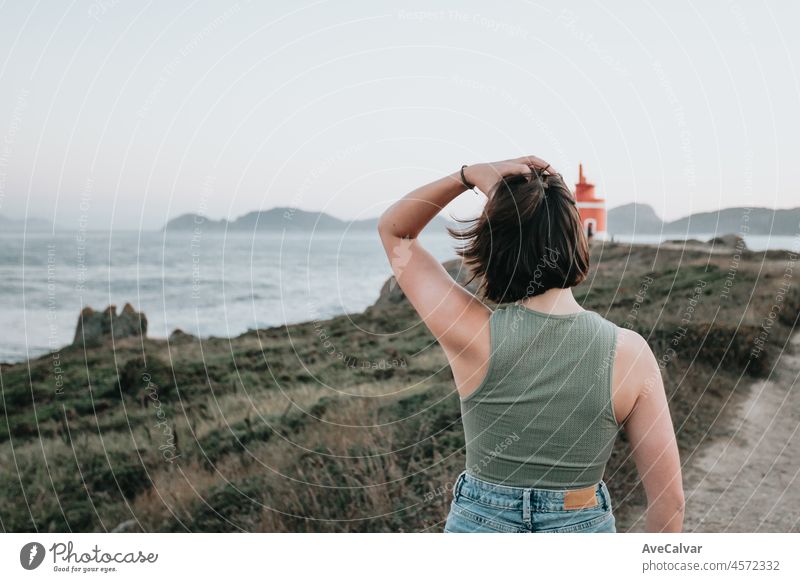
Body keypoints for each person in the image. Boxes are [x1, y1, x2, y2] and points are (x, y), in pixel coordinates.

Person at [377, 156, 684, 533]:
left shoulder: (472, 332)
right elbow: (670, 502)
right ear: (576, 239)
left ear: (494, 249)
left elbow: (395, 231)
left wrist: (467, 175)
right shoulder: (631, 353)